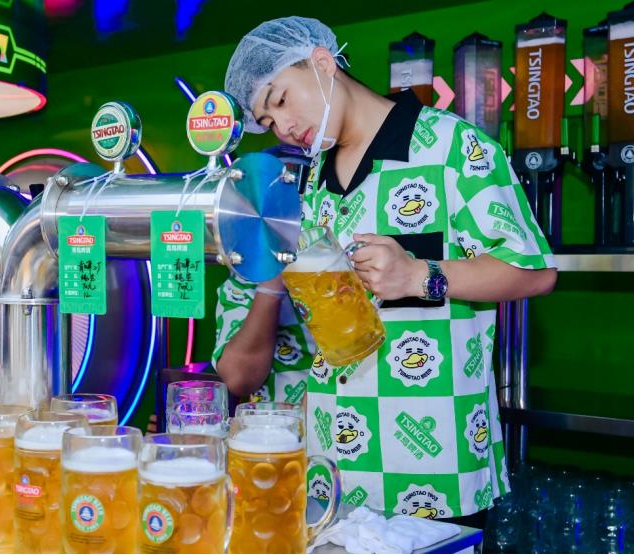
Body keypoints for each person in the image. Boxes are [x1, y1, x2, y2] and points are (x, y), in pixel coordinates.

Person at [213, 17, 557, 529]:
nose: (282, 127)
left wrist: (421, 275)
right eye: (268, 119)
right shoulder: (306, 185)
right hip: (329, 474)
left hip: (437, 474)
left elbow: (533, 271)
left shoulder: (449, 146)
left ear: (322, 62)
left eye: (280, 100)